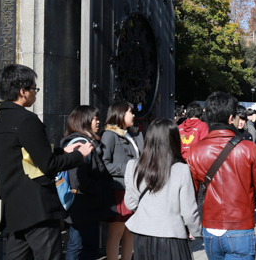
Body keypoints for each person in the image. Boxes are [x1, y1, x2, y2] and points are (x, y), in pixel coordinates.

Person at [0, 65, 92, 260]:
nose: (35, 93)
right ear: (23, 92)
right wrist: (79, 156)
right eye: (34, 89)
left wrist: (62, 150)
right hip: (38, 207)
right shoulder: (27, 120)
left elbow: (23, 153)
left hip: (14, 207)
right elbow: (48, 164)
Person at [187, 92, 256, 260]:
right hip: (240, 227)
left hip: (210, 229)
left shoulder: (195, 150)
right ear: (230, 118)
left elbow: (190, 193)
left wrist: (188, 224)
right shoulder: (249, 149)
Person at [124, 119, 200, 260]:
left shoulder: (132, 166)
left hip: (142, 235)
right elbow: (189, 211)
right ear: (174, 140)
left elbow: (130, 204)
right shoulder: (181, 169)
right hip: (171, 237)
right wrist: (195, 232)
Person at [61, 105, 113, 260]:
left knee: (76, 244)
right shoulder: (81, 144)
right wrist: (98, 189)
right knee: (85, 247)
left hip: (78, 203)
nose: (98, 122)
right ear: (84, 120)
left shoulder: (75, 141)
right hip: (84, 204)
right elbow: (79, 178)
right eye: (95, 118)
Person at [101, 102, 143, 260]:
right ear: (119, 114)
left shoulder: (132, 134)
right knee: (116, 234)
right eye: (130, 112)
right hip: (119, 191)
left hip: (134, 189)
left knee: (131, 233)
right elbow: (104, 164)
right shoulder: (109, 135)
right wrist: (129, 168)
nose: (133, 115)